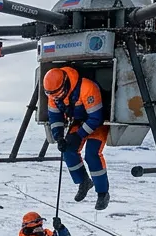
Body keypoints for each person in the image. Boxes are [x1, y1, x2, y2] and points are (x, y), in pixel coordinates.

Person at [42, 65, 111, 211]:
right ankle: (84, 181)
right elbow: (55, 117)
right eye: (53, 95)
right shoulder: (53, 96)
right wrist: (59, 136)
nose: (56, 98)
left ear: (65, 84)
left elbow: (96, 118)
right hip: (78, 123)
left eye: (58, 94)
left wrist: (78, 135)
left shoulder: (87, 87)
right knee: (67, 151)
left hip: (98, 124)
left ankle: (102, 193)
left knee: (92, 155)